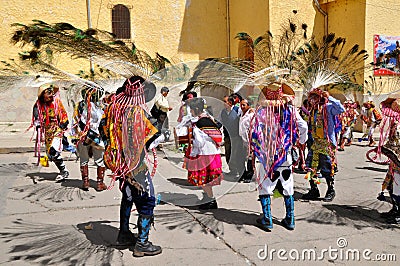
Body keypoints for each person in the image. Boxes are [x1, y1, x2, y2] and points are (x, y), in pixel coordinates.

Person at [100, 76, 161, 256]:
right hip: (136, 166)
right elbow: (152, 137)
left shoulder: (112, 108)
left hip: (119, 164)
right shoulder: (137, 112)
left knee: (127, 196)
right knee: (147, 199)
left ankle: (124, 234)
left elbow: (102, 128)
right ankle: (142, 243)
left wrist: (114, 148)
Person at [251, 82, 308, 230]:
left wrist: (253, 146)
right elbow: (303, 126)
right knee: (288, 187)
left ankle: (267, 219)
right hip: (285, 156)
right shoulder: (290, 110)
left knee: (265, 186)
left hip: (267, 157)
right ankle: (290, 219)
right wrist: (301, 141)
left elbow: (247, 129)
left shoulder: (261, 112)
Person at [177, 97, 224, 209]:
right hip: (213, 153)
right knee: (206, 179)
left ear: (196, 109)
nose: (191, 112)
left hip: (204, 154)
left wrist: (190, 139)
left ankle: (211, 200)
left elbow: (199, 142)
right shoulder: (209, 118)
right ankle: (208, 197)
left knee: (204, 179)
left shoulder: (198, 123)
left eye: (191, 109)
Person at [302, 89, 345, 202]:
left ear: (320, 98)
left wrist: (329, 97)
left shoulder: (328, 107)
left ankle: (331, 190)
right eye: (311, 98)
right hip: (316, 143)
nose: (312, 100)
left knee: (327, 168)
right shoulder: (312, 110)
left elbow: (341, 109)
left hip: (326, 143)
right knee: (311, 166)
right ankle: (314, 189)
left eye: (315, 98)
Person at [32, 83, 69, 181]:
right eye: (48, 93)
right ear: (42, 95)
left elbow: (64, 114)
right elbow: (36, 118)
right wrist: (38, 125)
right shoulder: (38, 105)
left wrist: (63, 124)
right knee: (51, 154)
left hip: (57, 129)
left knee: (53, 150)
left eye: (51, 93)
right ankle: (63, 170)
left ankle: (64, 171)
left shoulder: (56, 102)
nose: (51, 95)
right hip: (47, 132)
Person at [72, 87, 107, 191]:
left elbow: (75, 121)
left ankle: (85, 182)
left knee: (84, 159)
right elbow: (105, 122)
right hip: (97, 137)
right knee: (99, 160)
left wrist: (76, 136)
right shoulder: (102, 106)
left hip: (83, 136)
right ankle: (99, 183)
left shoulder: (79, 105)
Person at [220, 95, 245, 177]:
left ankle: (240, 171)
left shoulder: (237, 110)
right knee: (228, 153)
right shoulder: (223, 112)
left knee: (236, 154)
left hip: (236, 136)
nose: (223, 103)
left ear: (230, 103)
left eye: (225, 101)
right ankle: (232, 170)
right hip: (227, 136)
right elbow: (220, 123)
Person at [238, 98, 255, 183]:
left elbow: (253, 128)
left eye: (244, 105)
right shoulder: (241, 113)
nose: (242, 106)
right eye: (241, 104)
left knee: (250, 158)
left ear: (248, 105)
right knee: (241, 158)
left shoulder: (251, 115)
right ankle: (243, 174)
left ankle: (249, 175)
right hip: (241, 139)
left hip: (249, 140)